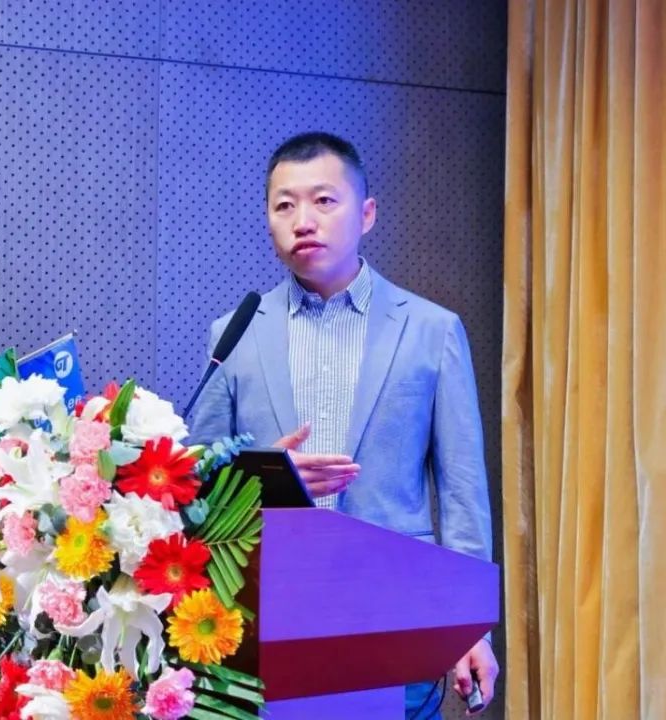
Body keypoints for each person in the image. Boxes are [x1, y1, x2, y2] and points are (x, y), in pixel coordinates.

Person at [189, 132, 500, 719]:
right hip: (268, 617)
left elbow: (462, 492)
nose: (303, 220)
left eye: (324, 200)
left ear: (367, 214)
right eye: (284, 205)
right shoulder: (234, 332)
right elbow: (196, 483)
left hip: (395, 614)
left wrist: (470, 626)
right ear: (268, 221)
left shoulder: (431, 330)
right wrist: (266, 475)